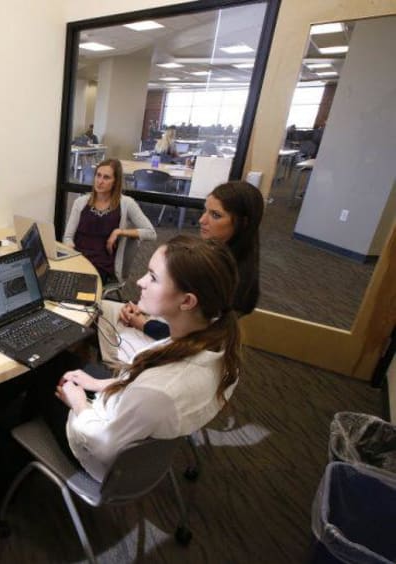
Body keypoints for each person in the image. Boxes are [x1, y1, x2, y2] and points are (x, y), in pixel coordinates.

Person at [28, 235, 241, 482]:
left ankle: (7, 460)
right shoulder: (217, 345)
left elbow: (103, 446)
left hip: (103, 458)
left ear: (187, 301)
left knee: (40, 372)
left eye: (153, 277)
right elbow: (138, 394)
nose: (140, 282)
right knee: (62, 365)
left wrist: (79, 404)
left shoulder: (158, 390)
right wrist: (98, 385)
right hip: (128, 417)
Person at [99, 180, 264, 363]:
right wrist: (143, 308)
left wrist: (144, 323)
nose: (202, 220)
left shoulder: (222, 277)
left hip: (172, 341)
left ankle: (117, 378)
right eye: (205, 210)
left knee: (101, 316)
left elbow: (196, 335)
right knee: (102, 308)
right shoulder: (210, 255)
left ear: (243, 223)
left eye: (216, 215)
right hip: (163, 318)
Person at [63, 158, 156, 283]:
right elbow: (68, 237)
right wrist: (70, 249)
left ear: (115, 182)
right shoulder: (80, 202)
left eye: (106, 178)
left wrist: (119, 231)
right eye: (98, 175)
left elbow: (151, 233)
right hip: (78, 259)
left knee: (76, 288)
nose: (100, 181)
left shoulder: (126, 203)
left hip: (102, 265)